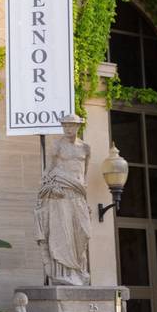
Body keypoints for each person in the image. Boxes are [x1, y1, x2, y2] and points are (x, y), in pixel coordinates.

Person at [35, 114, 92, 286]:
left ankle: (79, 271)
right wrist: (50, 189)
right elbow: (47, 174)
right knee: (63, 234)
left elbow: (84, 173)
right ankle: (64, 274)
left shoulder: (85, 148)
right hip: (61, 195)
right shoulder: (57, 146)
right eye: (65, 125)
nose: (68, 129)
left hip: (78, 194)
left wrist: (81, 189)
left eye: (71, 126)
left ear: (78, 127)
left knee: (84, 232)